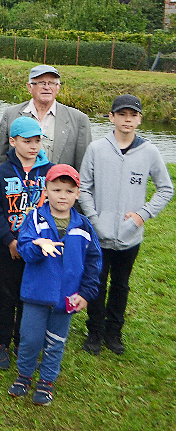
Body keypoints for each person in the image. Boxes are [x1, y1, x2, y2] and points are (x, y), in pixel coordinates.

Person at [78, 94, 173, 356]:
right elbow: (83, 188)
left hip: (130, 235)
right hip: (99, 233)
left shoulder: (149, 152)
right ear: (111, 117)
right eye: (122, 114)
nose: (127, 120)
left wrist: (143, 214)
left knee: (121, 284)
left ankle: (114, 332)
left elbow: (165, 189)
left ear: (140, 119)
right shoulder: (97, 149)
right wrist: (94, 218)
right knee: (97, 282)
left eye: (133, 115)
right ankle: (95, 331)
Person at [8, 165, 102, 406]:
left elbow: (94, 262)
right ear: (46, 191)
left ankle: (46, 381)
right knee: (30, 339)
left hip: (66, 297)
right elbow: (24, 250)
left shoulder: (83, 226)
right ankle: (24, 375)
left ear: (77, 194)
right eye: (57, 189)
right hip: (36, 294)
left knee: (56, 341)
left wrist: (86, 293)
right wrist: (38, 245)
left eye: (69, 191)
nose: (62, 196)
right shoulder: (34, 219)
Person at [0, 116, 53, 370]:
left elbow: (59, 207)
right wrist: (9, 240)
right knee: (6, 295)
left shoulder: (50, 172)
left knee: (31, 296)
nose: (33, 146)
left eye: (37, 141)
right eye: (27, 141)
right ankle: (1, 342)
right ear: (13, 141)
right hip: (10, 248)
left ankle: (24, 340)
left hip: (39, 248)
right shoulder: (1, 172)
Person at [0, 65, 92, 170]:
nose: (47, 87)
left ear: (58, 87)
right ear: (29, 87)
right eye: (41, 83)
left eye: (52, 83)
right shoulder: (10, 115)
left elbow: (84, 167)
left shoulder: (79, 120)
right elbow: (0, 160)